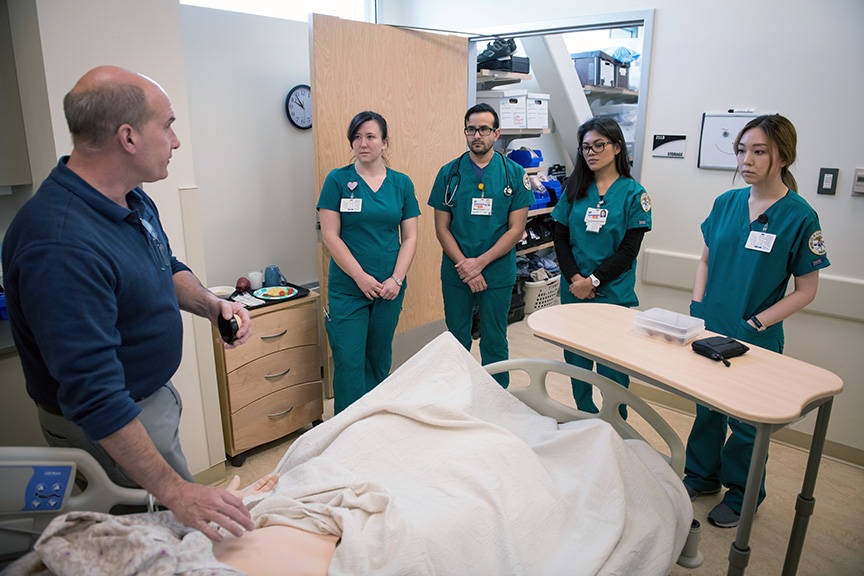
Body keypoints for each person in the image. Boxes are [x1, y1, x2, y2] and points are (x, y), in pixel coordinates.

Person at [1, 66, 255, 541]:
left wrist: (211, 306)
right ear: (129, 137)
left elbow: (165, 263)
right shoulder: (59, 245)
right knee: (150, 547)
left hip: (148, 403)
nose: (176, 141)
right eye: (168, 125)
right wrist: (177, 491)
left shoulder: (129, 199)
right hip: (110, 427)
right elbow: (94, 397)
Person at [683, 114, 829, 528]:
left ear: (783, 156)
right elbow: (707, 257)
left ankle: (743, 494)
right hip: (711, 323)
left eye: (759, 151)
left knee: (747, 424)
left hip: (755, 336)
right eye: (742, 150)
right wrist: (697, 307)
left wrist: (756, 324)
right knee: (707, 410)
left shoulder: (800, 216)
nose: (747, 159)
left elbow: (806, 290)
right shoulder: (726, 203)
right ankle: (701, 476)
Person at [317, 111, 419, 414]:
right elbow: (330, 236)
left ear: (385, 142)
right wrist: (360, 277)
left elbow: (410, 237)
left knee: (378, 358)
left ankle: (373, 424)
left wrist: (396, 280)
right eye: (357, 136)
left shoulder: (401, 184)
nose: (363, 143)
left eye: (370, 136)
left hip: (389, 288)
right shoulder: (337, 180)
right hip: (349, 289)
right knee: (348, 359)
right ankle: (346, 432)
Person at [551, 117, 651, 419]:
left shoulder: (635, 193)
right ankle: (584, 418)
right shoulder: (575, 189)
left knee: (613, 368)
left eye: (599, 145)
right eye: (586, 148)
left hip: (612, 294)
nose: (591, 152)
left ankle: (615, 425)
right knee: (577, 363)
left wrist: (592, 281)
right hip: (574, 291)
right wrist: (575, 279)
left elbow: (628, 251)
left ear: (617, 147)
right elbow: (560, 238)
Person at [427, 103, 533, 387]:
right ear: (465, 132)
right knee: (456, 338)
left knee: (495, 338)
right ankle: (459, 394)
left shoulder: (514, 174)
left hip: (496, 271)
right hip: (456, 271)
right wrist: (465, 266)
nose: (477, 135)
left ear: (496, 133)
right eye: (471, 129)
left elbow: (516, 230)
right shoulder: (448, 174)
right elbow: (441, 228)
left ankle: (496, 398)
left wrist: (479, 264)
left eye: (484, 129)